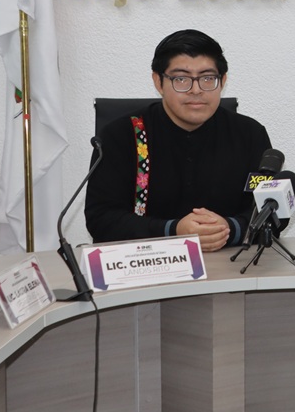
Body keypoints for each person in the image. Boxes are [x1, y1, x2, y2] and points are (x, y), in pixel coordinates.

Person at [85, 30, 271, 252]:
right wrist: (173, 231)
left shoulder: (249, 134)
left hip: (230, 267)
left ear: (223, 81)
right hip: (145, 269)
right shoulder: (121, 135)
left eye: (207, 78)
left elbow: (271, 209)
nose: (195, 90)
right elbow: (101, 219)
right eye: (181, 79)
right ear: (158, 81)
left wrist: (229, 228)